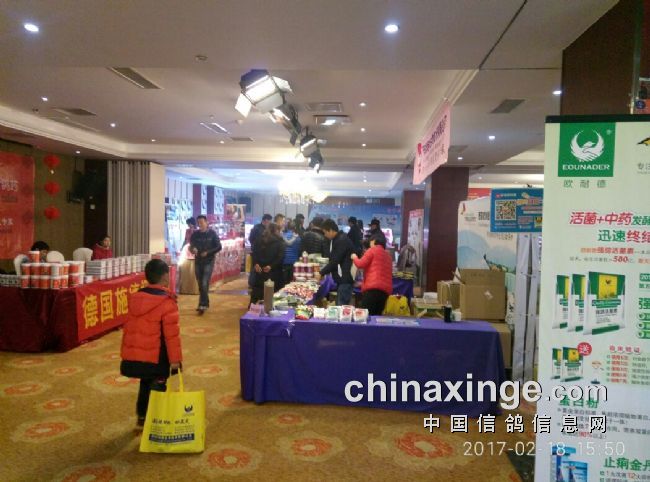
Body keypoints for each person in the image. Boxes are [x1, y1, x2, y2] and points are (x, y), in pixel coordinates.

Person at [120, 259, 182, 428]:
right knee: (158, 386)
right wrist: (175, 360)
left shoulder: (136, 297)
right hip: (158, 356)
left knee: (145, 382)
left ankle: (142, 417)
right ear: (165, 277)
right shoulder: (167, 302)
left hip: (139, 355)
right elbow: (171, 335)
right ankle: (155, 422)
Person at [352, 233, 393, 315]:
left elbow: (360, 264)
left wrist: (354, 257)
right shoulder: (388, 255)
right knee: (377, 316)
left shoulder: (372, 250)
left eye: (370, 241)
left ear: (374, 241)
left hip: (372, 290)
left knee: (366, 315)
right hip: (385, 292)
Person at [189, 215, 222, 314]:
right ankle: (205, 303)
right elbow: (191, 246)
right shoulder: (195, 234)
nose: (200, 224)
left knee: (204, 282)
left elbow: (219, 247)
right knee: (201, 284)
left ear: (206, 222)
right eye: (198, 223)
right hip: (198, 261)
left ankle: (202, 304)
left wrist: (208, 253)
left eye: (202, 222)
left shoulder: (212, 234)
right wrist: (193, 249)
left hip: (209, 261)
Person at [319, 219, 354, 305]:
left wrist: (321, 273)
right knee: (340, 305)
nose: (325, 235)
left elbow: (335, 261)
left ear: (330, 230)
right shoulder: (338, 239)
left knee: (341, 307)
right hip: (342, 279)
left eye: (325, 232)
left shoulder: (341, 240)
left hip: (345, 279)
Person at [250, 223, 285, 304]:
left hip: (260, 271)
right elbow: (280, 257)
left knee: (257, 294)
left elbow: (254, 254)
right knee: (273, 297)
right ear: (277, 230)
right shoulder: (279, 242)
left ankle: (253, 309)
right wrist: (271, 266)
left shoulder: (259, 240)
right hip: (274, 273)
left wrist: (256, 264)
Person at [282, 220, 301, 287]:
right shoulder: (298, 237)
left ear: (287, 227)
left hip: (284, 261)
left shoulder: (283, 236)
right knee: (292, 282)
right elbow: (299, 249)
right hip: (294, 262)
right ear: (295, 227)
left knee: (284, 282)